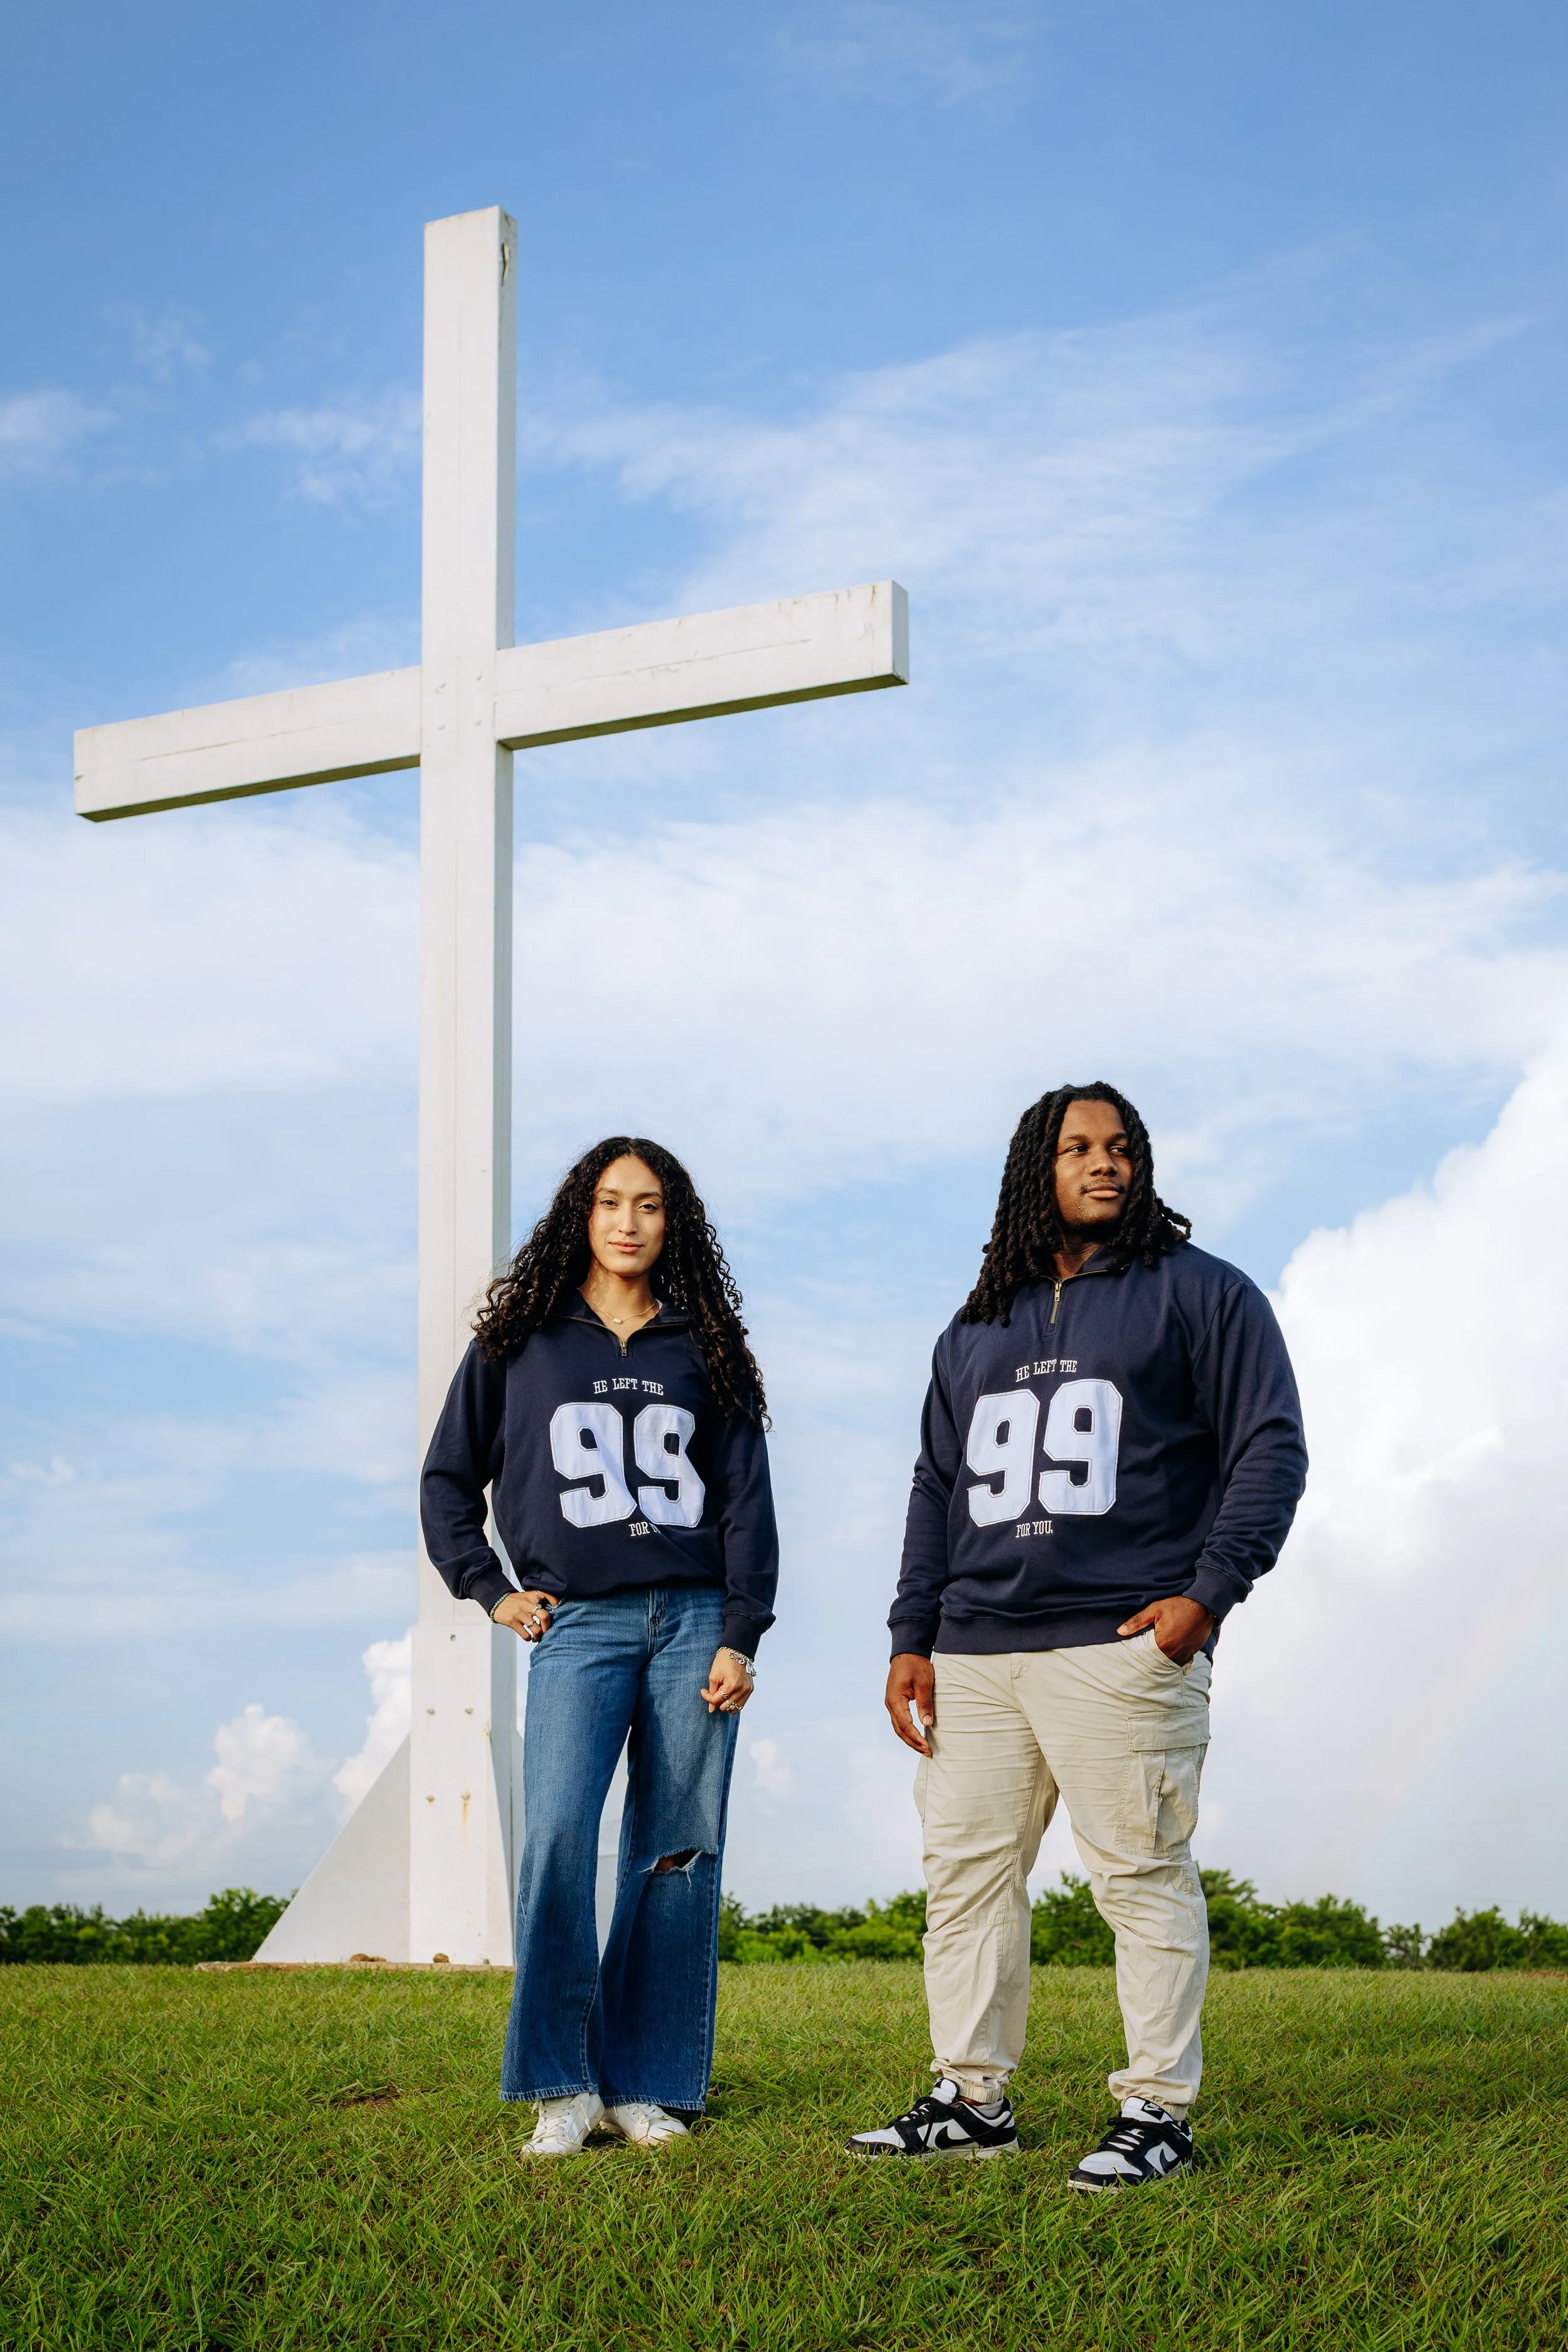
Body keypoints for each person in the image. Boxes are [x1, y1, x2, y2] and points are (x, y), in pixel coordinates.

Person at [849, 1084, 1306, 2188]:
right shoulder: (976, 1324)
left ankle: (1158, 2111)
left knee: (1139, 1875)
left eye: (1121, 1147)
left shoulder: (1203, 1294)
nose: (1104, 1163)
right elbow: (935, 1485)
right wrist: (914, 1631)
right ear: (1034, 1170)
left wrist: (1207, 1594)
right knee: (964, 1876)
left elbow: (1271, 1448)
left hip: (1121, 1641)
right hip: (976, 1648)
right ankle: (973, 2096)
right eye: (1078, 1147)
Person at [421, 1136, 777, 2159]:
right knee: (560, 1840)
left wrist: (740, 1630)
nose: (630, 1221)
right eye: (612, 1201)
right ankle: (561, 2083)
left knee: (674, 1851)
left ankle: (646, 2081)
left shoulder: (703, 1346)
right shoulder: (521, 1341)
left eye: (651, 1204)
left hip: (695, 1620)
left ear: (675, 1222)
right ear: (582, 1213)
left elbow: (748, 1501)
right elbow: (448, 1480)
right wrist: (489, 1589)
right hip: (578, 1622)